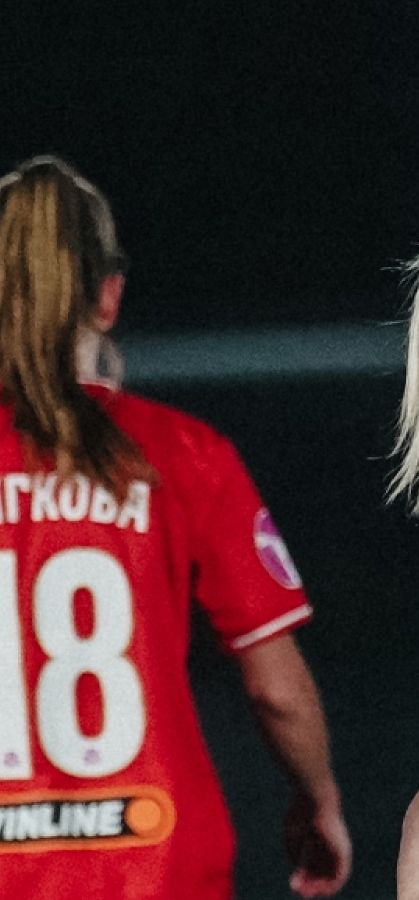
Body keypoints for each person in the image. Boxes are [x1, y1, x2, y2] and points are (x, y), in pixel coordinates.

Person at [0, 156, 351, 899]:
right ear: (108, 296)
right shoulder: (184, 453)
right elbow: (276, 688)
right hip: (155, 863)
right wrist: (317, 798)